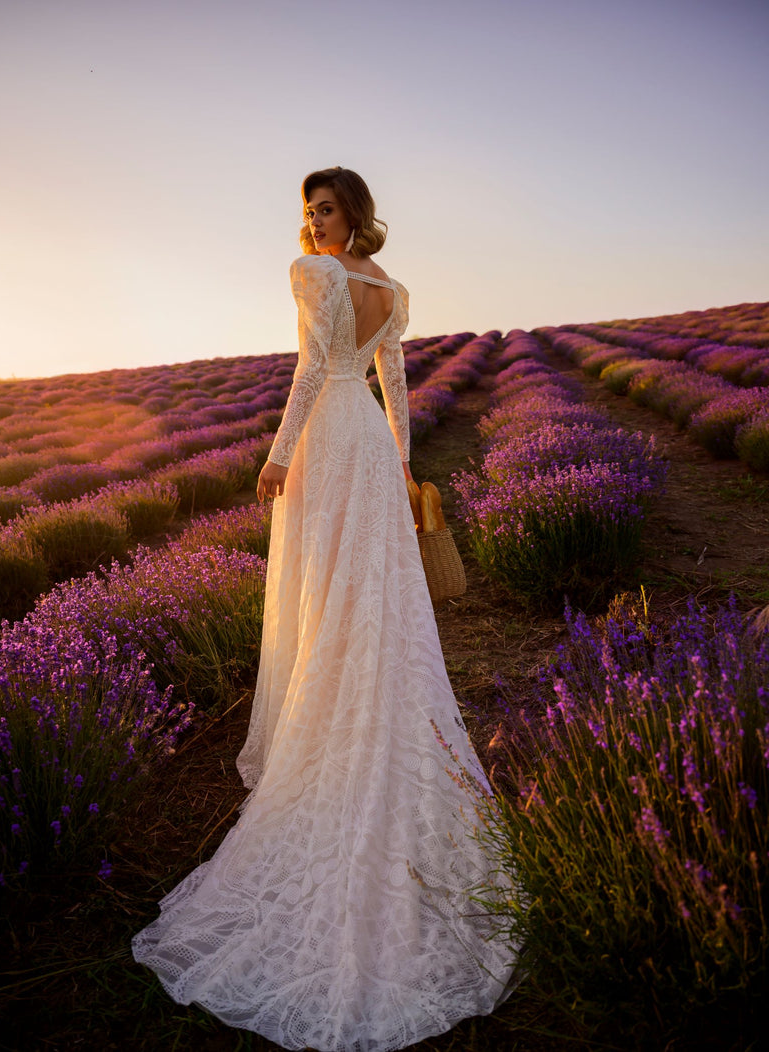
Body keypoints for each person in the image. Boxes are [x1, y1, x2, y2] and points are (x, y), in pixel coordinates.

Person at [132, 166, 519, 1051]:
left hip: (326, 443)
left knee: (322, 588)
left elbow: (311, 371)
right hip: (372, 453)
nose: (311, 222)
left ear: (352, 215)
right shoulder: (395, 288)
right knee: (371, 596)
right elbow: (397, 382)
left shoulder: (315, 275)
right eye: (307, 211)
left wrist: (276, 456)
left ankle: (322, 720)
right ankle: (361, 707)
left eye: (324, 208)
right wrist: (402, 462)